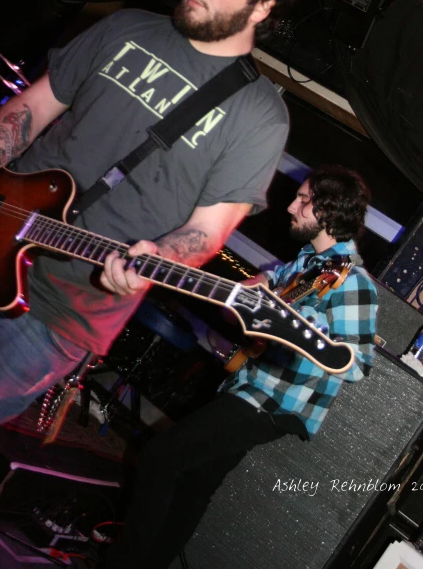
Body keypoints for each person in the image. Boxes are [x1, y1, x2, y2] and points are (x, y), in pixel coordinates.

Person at [0, 0, 304, 447]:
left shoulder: (259, 115)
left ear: (263, 5)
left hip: (60, 314)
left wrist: (159, 257)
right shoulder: (127, 27)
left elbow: (205, 232)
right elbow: (29, 109)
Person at [97, 165, 378, 569]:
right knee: (195, 484)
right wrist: (246, 293)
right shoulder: (307, 264)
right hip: (249, 384)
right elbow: (260, 295)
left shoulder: (353, 282)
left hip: (275, 400)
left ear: (330, 212)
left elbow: (356, 365)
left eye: (303, 200)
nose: (290, 206)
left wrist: (302, 329)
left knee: (160, 458)